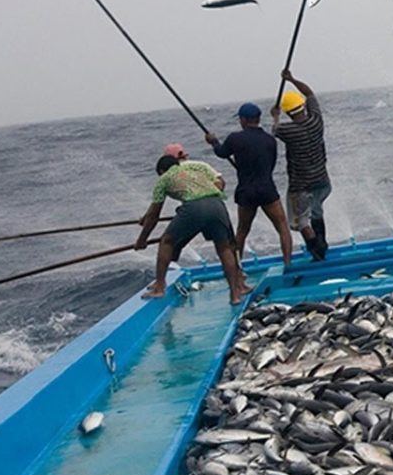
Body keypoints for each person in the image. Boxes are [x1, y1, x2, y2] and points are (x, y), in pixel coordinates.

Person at [135, 155, 246, 305]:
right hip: (217, 204)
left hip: (194, 207)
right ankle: (235, 295)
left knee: (166, 241)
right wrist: (145, 217)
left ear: (161, 171)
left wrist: (142, 240)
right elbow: (220, 183)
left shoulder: (164, 178)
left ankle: (159, 287)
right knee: (224, 248)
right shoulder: (193, 169)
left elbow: (154, 216)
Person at [205, 102, 294, 270]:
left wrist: (213, 142)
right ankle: (288, 263)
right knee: (282, 226)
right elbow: (271, 164)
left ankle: (237, 268)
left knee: (242, 230)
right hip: (267, 189)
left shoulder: (235, 138)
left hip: (246, 191)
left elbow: (222, 153)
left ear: (244, 120)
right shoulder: (270, 140)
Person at [272, 70, 330, 260]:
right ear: (303, 106)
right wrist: (292, 79)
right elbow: (309, 92)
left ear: (288, 113)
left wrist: (275, 116)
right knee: (317, 212)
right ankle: (322, 243)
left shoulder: (287, 130)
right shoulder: (316, 120)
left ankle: (317, 249)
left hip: (301, 186)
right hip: (322, 180)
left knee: (301, 222)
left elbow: (274, 130)